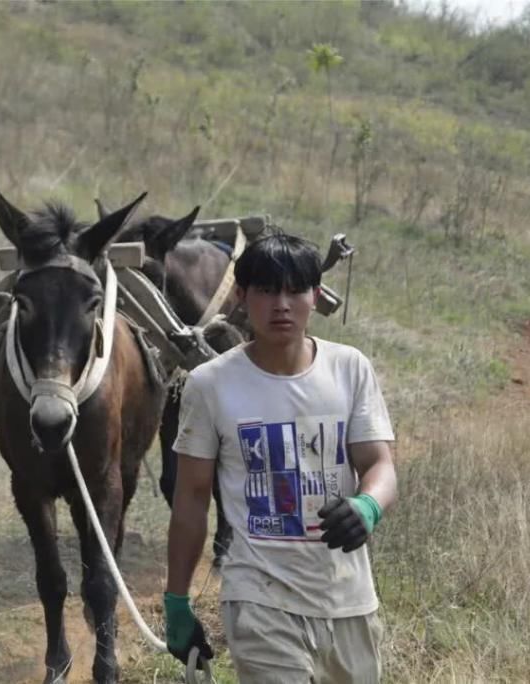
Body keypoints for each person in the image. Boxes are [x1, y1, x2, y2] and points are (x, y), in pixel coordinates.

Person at [163, 233, 397, 683]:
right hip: (259, 598)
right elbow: (191, 499)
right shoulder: (210, 386)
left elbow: (379, 466)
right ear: (241, 296)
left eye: (294, 290)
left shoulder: (349, 369)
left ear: (315, 296)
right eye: (267, 291)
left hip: (348, 597)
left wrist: (368, 505)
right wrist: (177, 601)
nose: (281, 305)